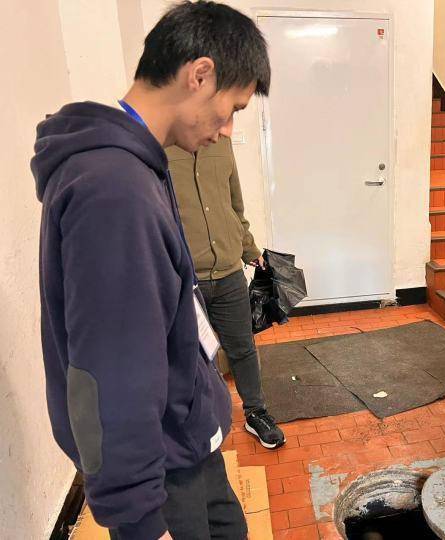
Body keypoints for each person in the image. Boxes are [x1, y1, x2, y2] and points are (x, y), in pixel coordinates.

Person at [31, 2, 271, 538]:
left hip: (185, 443)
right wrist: (139, 519)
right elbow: (111, 370)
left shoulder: (138, 165)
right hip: (159, 475)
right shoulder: (114, 189)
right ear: (199, 75)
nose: (225, 129)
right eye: (231, 108)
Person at [167, 136, 286, 449]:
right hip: (185, 280)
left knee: (243, 349)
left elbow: (235, 206)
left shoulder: (222, 143)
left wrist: (250, 250)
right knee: (192, 358)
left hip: (230, 273)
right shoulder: (159, 144)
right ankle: (200, 422)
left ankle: (256, 413)